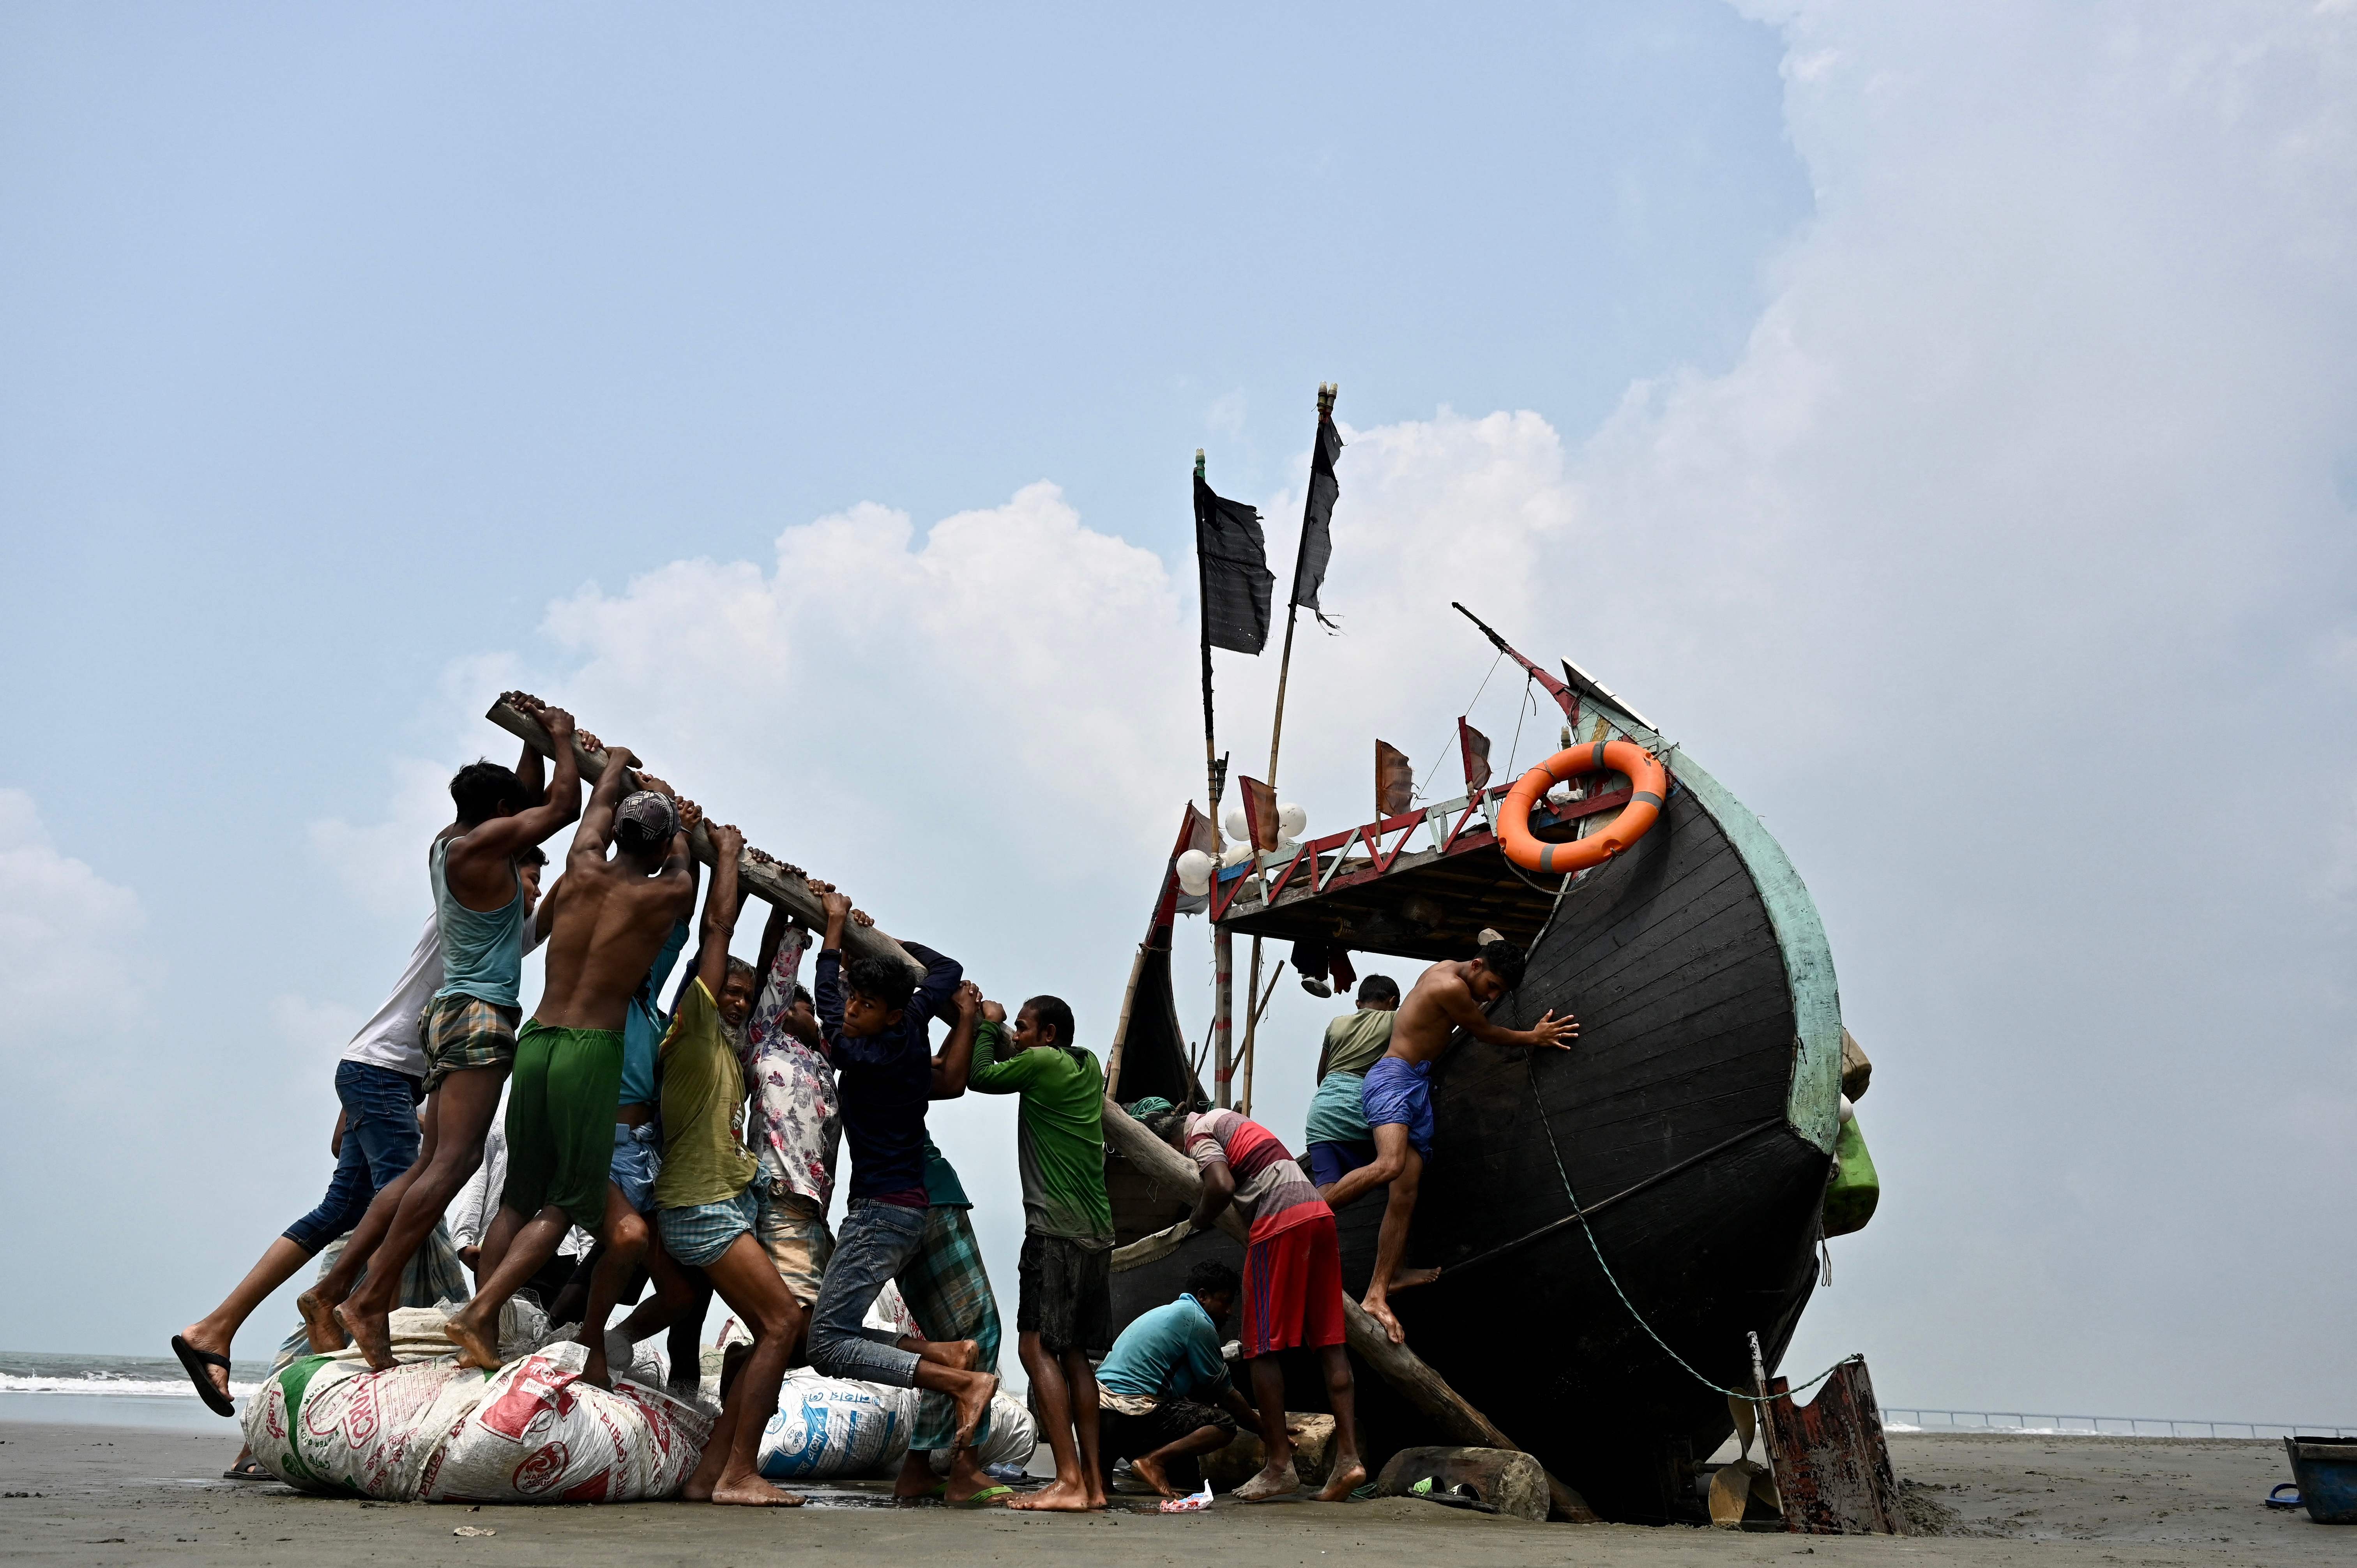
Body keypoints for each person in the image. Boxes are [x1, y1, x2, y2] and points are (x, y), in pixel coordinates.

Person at [299, 705, 584, 1364]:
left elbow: (531, 808)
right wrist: (567, 740)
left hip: (453, 1015)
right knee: (453, 1164)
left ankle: (337, 1288)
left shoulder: (449, 841)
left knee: (432, 1163)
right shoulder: (480, 851)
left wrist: (532, 744)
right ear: (494, 812)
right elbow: (562, 805)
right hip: (477, 1017)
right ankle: (366, 1299)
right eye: (511, 813)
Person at [438, 749, 693, 1385]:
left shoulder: (579, 867)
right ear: (659, 846)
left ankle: (484, 1328)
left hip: (538, 1038)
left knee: (518, 1197)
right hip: (586, 1051)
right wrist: (682, 823)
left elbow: (594, 813)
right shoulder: (666, 888)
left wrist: (611, 765)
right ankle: (485, 1312)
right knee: (564, 1201)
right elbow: (688, 875)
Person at [637, 823, 811, 1506]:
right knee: (779, 1324)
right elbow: (714, 927)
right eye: (725, 992)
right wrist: (729, 859)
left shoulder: (730, 1052)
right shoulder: (691, 1034)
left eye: (742, 994)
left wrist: (788, 917)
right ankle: (739, 1472)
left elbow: (768, 986)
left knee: (774, 1329)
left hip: (719, 1201)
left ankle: (713, 1471)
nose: (736, 999)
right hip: (701, 1205)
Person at [803, 887, 998, 1453]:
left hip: (881, 1212)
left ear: (886, 1013)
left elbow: (824, 1001)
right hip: (903, 1208)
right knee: (834, 1334)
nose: (853, 1009)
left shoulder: (861, 1053)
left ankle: (964, 1380)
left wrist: (837, 929)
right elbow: (948, 970)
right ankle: (947, 1355)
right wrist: (885, 951)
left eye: (864, 1004)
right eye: (855, 999)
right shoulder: (910, 1024)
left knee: (827, 1347)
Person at [1320, 939, 1576, 1344]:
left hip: (1417, 1085)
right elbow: (1485, 1031)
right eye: (1491, 986)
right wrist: (1535, 1035)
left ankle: (1380, 1289)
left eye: (1498, 993)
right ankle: (1303, 1212)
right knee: (1389, 1166)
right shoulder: (1451, 986)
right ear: (1476, 965)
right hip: (1392, 1079)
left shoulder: (1455, 969)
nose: (1491, 997)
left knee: (1404, 1191)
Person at [1165, 1105, 1364, 1503]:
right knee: (1330, 1341)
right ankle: (1349, 1460)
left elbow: (1220, 1185)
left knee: (1259, 1348)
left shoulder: (1197, 1134)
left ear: (1173, 1139)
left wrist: (1197, 1219)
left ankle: (1278, 1466)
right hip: (1317, 1214)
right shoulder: (1227, 1119)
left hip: (1279, 1221)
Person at [965, 992, 1115, 1512]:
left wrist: (988, 1025)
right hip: (1097, 1232)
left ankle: (1068, 1480)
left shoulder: (1042, 1061)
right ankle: (1093, 1485)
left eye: (1026, 1030)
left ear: (1048, 1035)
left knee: (1033, 1348)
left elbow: (978, 1076)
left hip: (1055, 1230)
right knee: (1074, 1354)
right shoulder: (1088, 1063)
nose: (1019, 1038)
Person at [1095, 1261, 1256, 1498]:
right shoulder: (1197, 1322)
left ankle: (1102, 1479)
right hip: (1129, 1414)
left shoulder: (1167, 1312)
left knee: (1185, 1473)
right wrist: (1269, 1432)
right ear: (1203, 1296)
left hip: (1096, 1414)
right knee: (1224, 1424)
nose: (1230, 1311)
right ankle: (1153, 1461)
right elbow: (1227, 1396)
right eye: (1226, 1302)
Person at [1300, 974, 1401, 1188]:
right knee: (1394, 1168)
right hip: (1358, 1111)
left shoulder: (1336, 1024)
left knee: (1326, 1188)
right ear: (1393, 1002)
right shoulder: (1394, 1019)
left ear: (1358, 1003)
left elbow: (1322, 1076)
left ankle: (1308, 1218)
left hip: (1321, 1115)